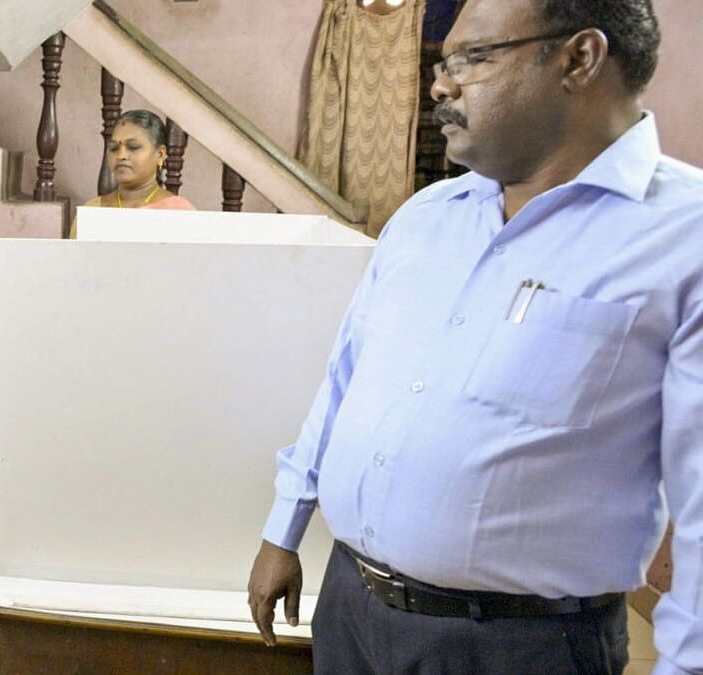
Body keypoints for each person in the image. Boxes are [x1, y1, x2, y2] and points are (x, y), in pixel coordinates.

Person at [247, 1, 703, 673]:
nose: (441, 84)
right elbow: (346, 379)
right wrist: (283, 528)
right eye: (442, 63)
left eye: (473, 59)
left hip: (516, 646)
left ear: (579, 59)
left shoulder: (682, 237)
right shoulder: (427, 217)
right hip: (350, 608)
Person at [70, 109, 195, 238]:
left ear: (160, 154)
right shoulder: (93, 211)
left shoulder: (180, 213)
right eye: (114, 148)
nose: (121, 155)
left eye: (133, 147)